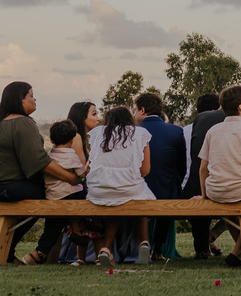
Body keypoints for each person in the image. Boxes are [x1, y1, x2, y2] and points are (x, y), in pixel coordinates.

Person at [0, 81, 83, 265]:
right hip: (4, 187)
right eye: (31, 95)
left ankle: (10, 250)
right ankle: (42, 250)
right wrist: (70, 177)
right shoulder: (22, 123)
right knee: (60, 194)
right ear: (20, 100)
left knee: (49, 194)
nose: (34, 99)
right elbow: (40, 162)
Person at [196, 85, 241, 268]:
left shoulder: (213, 130)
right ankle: (238, 252)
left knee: (230, 209)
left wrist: (205, 194)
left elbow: (203, 168)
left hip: (215, 191)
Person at [88, 106, 155, 266]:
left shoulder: (98, 133)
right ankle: (144, 242)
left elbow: (90, 165)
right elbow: (145, 170)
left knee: (115, 201)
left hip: (98, 188)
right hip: (128, 186)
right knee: (139, 198)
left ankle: (106, 248)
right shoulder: (140, 133)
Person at [134, 92, 186, 260]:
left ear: (142, 110)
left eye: (134, 110)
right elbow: (181, 166)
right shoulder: (177, 132)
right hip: (167, 188)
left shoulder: (133, 132)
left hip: (137, 189)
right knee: (166, 204)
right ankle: (157, 250)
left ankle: (139, 247)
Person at [182, 93, 225, 259]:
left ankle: (203, 246)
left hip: (187, 184)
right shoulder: (218, 128)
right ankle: (207, 243)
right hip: (208, 184)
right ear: (216, 110)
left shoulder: (186, 129)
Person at [45, 120, 90, 265]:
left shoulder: (49, 156)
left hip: (52, 196)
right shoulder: (71, 156)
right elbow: (82, 174)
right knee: (86, 195)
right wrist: (88, 167)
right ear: (72, 141)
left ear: (51, 140)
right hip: (71, 194)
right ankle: (85, 227)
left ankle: (76, 231)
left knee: (72, 202)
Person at [66, 101, 100, 166]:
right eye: (94, 114)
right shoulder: (76, 138)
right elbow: (82, 170)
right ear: (82, 117)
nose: (98, 119)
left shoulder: (81, 138)